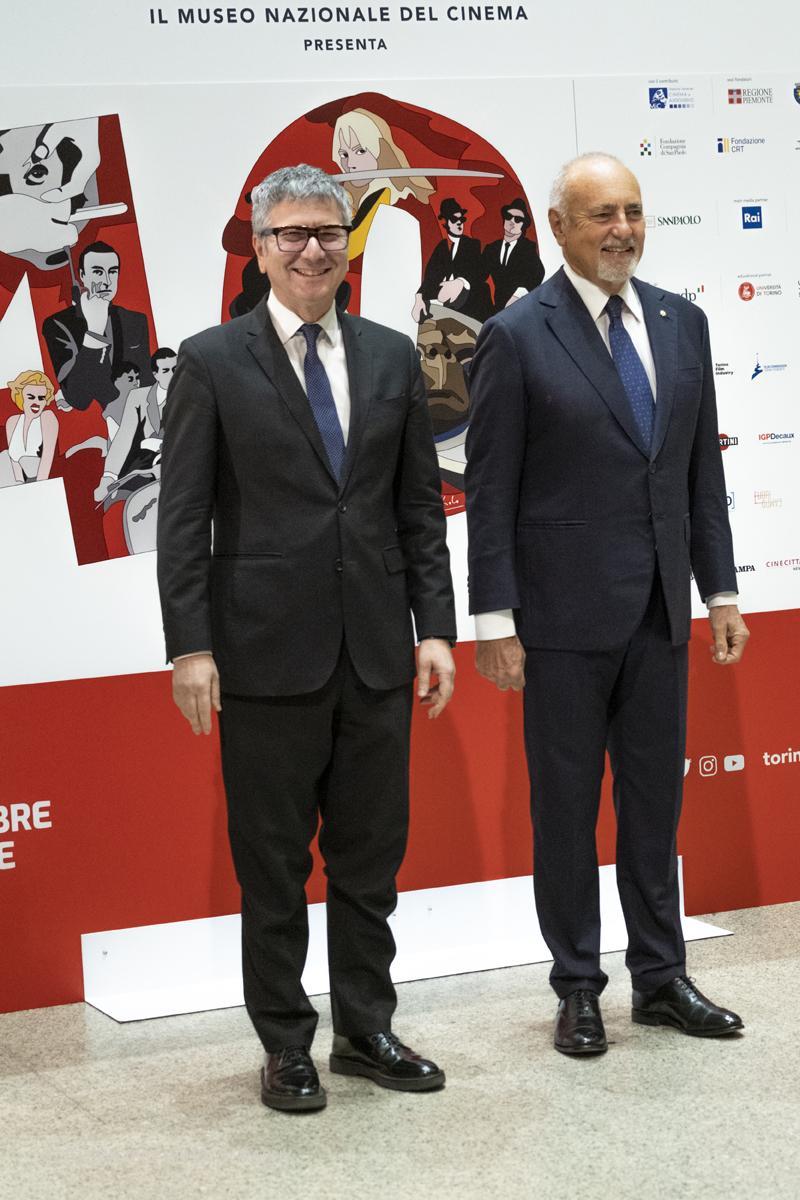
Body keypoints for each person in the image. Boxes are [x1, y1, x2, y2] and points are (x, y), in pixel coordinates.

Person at [157, 164, 456, 1112]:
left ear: (346, 244)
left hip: (375, 653)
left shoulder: (388, 357)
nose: (313, 248)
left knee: (371, 863)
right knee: (275, 870)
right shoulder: (209, 361)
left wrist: (436, 631)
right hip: (261, 658)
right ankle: (285, 1043)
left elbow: (418, 508)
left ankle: (367, 1030)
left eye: (327, 231)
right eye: (290, 234)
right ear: (260, 249)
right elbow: (184, 517)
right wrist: (190, 645)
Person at [465, 152, 749, 1057]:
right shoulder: (516, 334)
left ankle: (660, 980)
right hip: (557, 623)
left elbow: (700, 469)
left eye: (631, 211)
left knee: (654, 808)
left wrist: (723, 589)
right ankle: (578, 986)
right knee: (564, 811)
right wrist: (495, 619)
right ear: (558, 227)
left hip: (663, 611)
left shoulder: (682, 320)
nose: (621, 228)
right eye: (600, 215)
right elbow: (491, 488)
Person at [41, 240, 153, 413]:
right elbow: (79, 399)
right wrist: (94, 331)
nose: (107, 281)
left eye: (112, 272)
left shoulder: (136, 321)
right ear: (82, 275)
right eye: (98, 272)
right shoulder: (57, 325)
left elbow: (146, 379)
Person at [95, 347, 177, 506]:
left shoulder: (190, 396)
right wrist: (108, 476)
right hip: (142, 468)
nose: (173, 374)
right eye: (166, 370)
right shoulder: (138, 397)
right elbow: (123, 439)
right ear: (156, 374)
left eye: (176, 369)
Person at [412, 198, 491, 325]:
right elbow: (430, 277)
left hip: (467, 305)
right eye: (454, 220)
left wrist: (462, 282)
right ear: (445, 222)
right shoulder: (441, 247)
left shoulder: (472, 245)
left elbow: (480, 273)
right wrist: (419, 296)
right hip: (440, 304)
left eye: (462, 219)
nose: (459, 223)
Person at [481, 198, 545, 313]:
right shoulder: (492, 248)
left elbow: (538, 273)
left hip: (520, 307)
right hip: (495, 307)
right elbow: (479, 273)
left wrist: (519, 294)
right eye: (508, 216)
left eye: (518, 219)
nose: (512, 221)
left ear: (523, 225)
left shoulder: (528, 247)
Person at [0, 369, 59, 488]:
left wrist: (37, 489)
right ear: (21, 397)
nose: (36, 402)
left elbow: (47, 459)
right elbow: (14, 463)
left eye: (41, 398)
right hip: (12, 483)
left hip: (40, 483)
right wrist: (19, 488)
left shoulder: (47, 418)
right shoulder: (12, 421)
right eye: (31, 397)